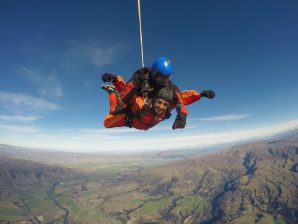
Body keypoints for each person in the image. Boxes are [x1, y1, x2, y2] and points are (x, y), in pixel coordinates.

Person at [102, 57, 189, 129]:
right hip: (135, 112)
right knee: (112, 115)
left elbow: (181, 101)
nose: (164, 81)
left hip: (145, 120)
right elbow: (125, 93)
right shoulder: (140, 78)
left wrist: (182, 118)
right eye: (161, 77)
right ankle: (112, 89)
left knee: (172, 99)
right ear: (154, 72)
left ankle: (115, 83)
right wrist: (115, 80)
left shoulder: (170, 87)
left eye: (167, 78)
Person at [101, 83, 215, 131]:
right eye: (159, 102)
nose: (161, 107)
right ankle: (111, 92)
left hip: (142, 125)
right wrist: (116, 81)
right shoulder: (141, 102)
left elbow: (185, 97)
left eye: (165, 104)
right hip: (131, 120)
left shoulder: (168, 107)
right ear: (154, 100)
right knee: (108, 122)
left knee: (108, 122)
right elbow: (127, 89)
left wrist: (201, 94)